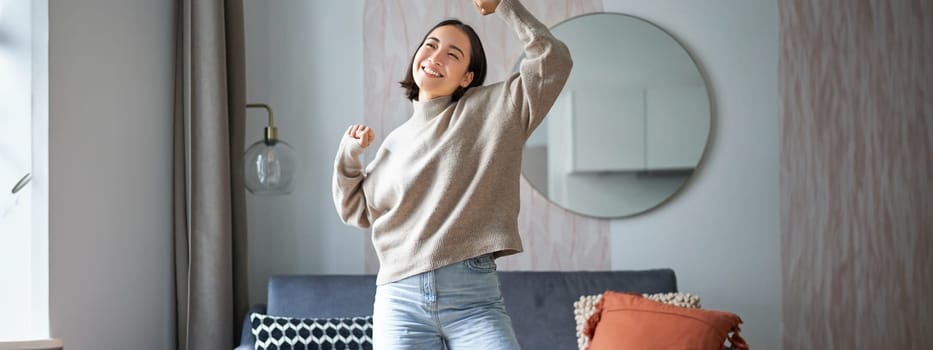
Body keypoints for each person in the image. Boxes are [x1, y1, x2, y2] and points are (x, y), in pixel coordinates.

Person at [332, 0, 571, 348]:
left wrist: (505, 6)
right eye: (430, 45)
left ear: (468, 77)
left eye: (453, 54)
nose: (436, 56)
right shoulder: (394, 143)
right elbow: (355, 210)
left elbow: (554, 61)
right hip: (400, 302)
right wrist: (348, 155)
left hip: (474, 301)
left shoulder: (497, 108)